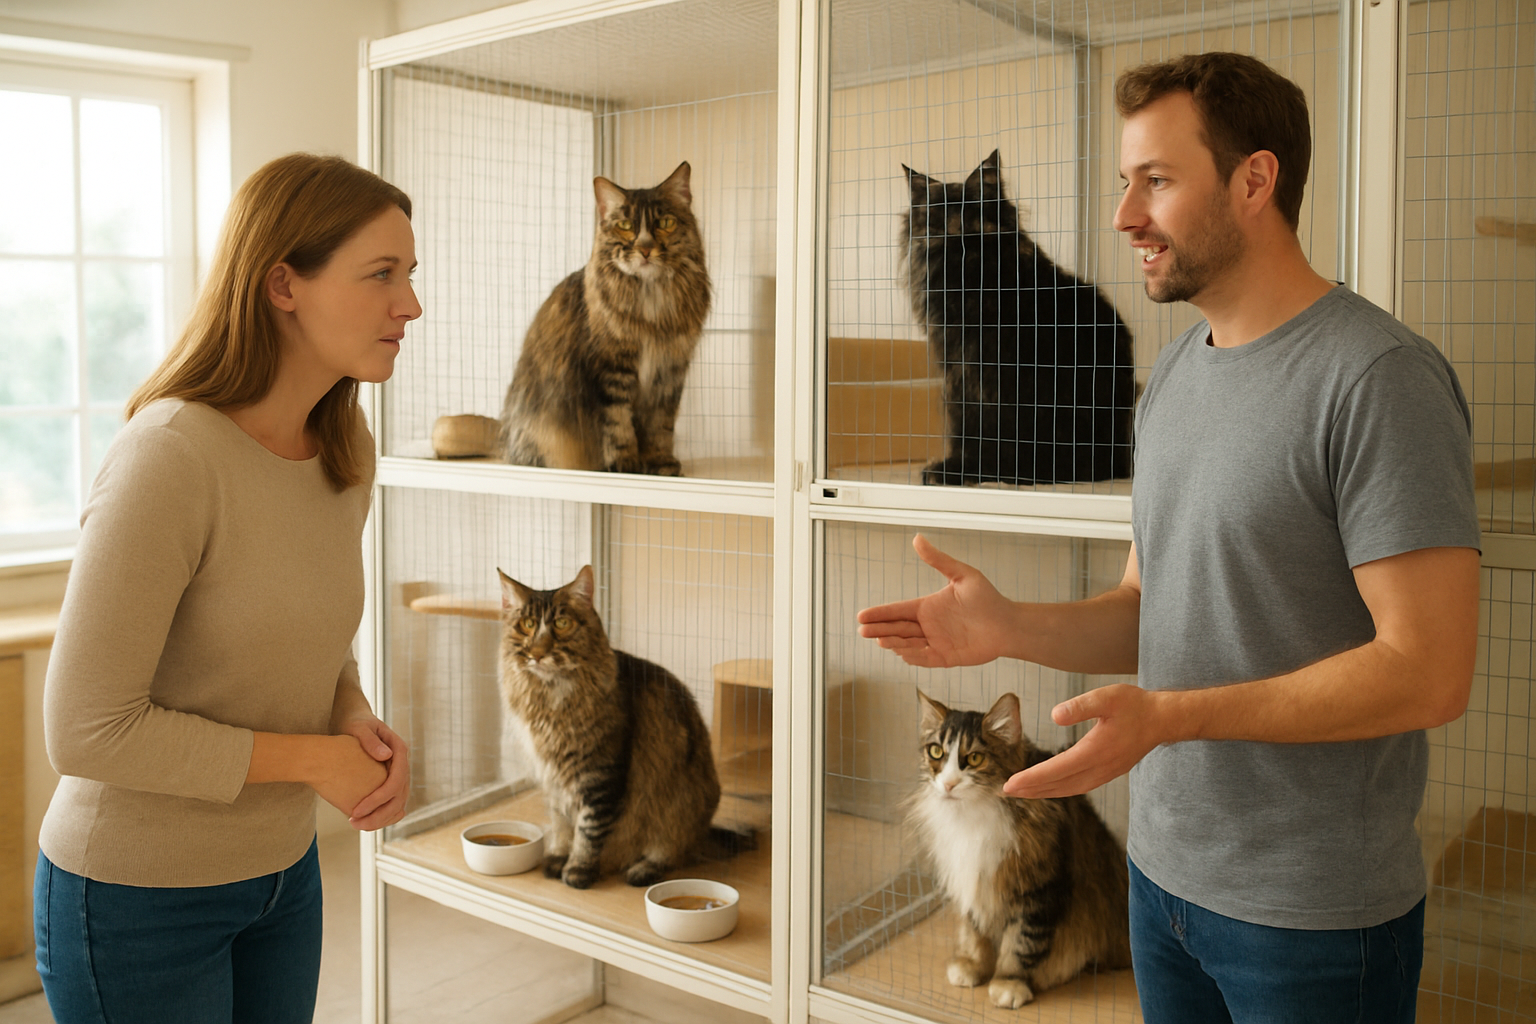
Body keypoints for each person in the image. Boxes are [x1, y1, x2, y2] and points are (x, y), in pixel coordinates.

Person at [858, 52, 1480, 1024]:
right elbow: (1149, 607)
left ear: (1254, 180)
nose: (1123, 216)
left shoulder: (1378, 378)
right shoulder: (1178, 374)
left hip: (1310, 917)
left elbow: (1430, 671)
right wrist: (1009, 624)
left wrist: (1173, 718)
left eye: (1156, 180)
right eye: (1124, 181)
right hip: (1160, 879)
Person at [34, 153, 421, 1024]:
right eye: (381, 274)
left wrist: (349, 713)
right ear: (284, 285)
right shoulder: (170, 455)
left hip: (282, 877)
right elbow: (84, 729)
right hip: (135, 897)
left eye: (409, 274)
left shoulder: (344, 453)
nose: (410, 304)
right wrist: (314, 760)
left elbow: (308, 632)